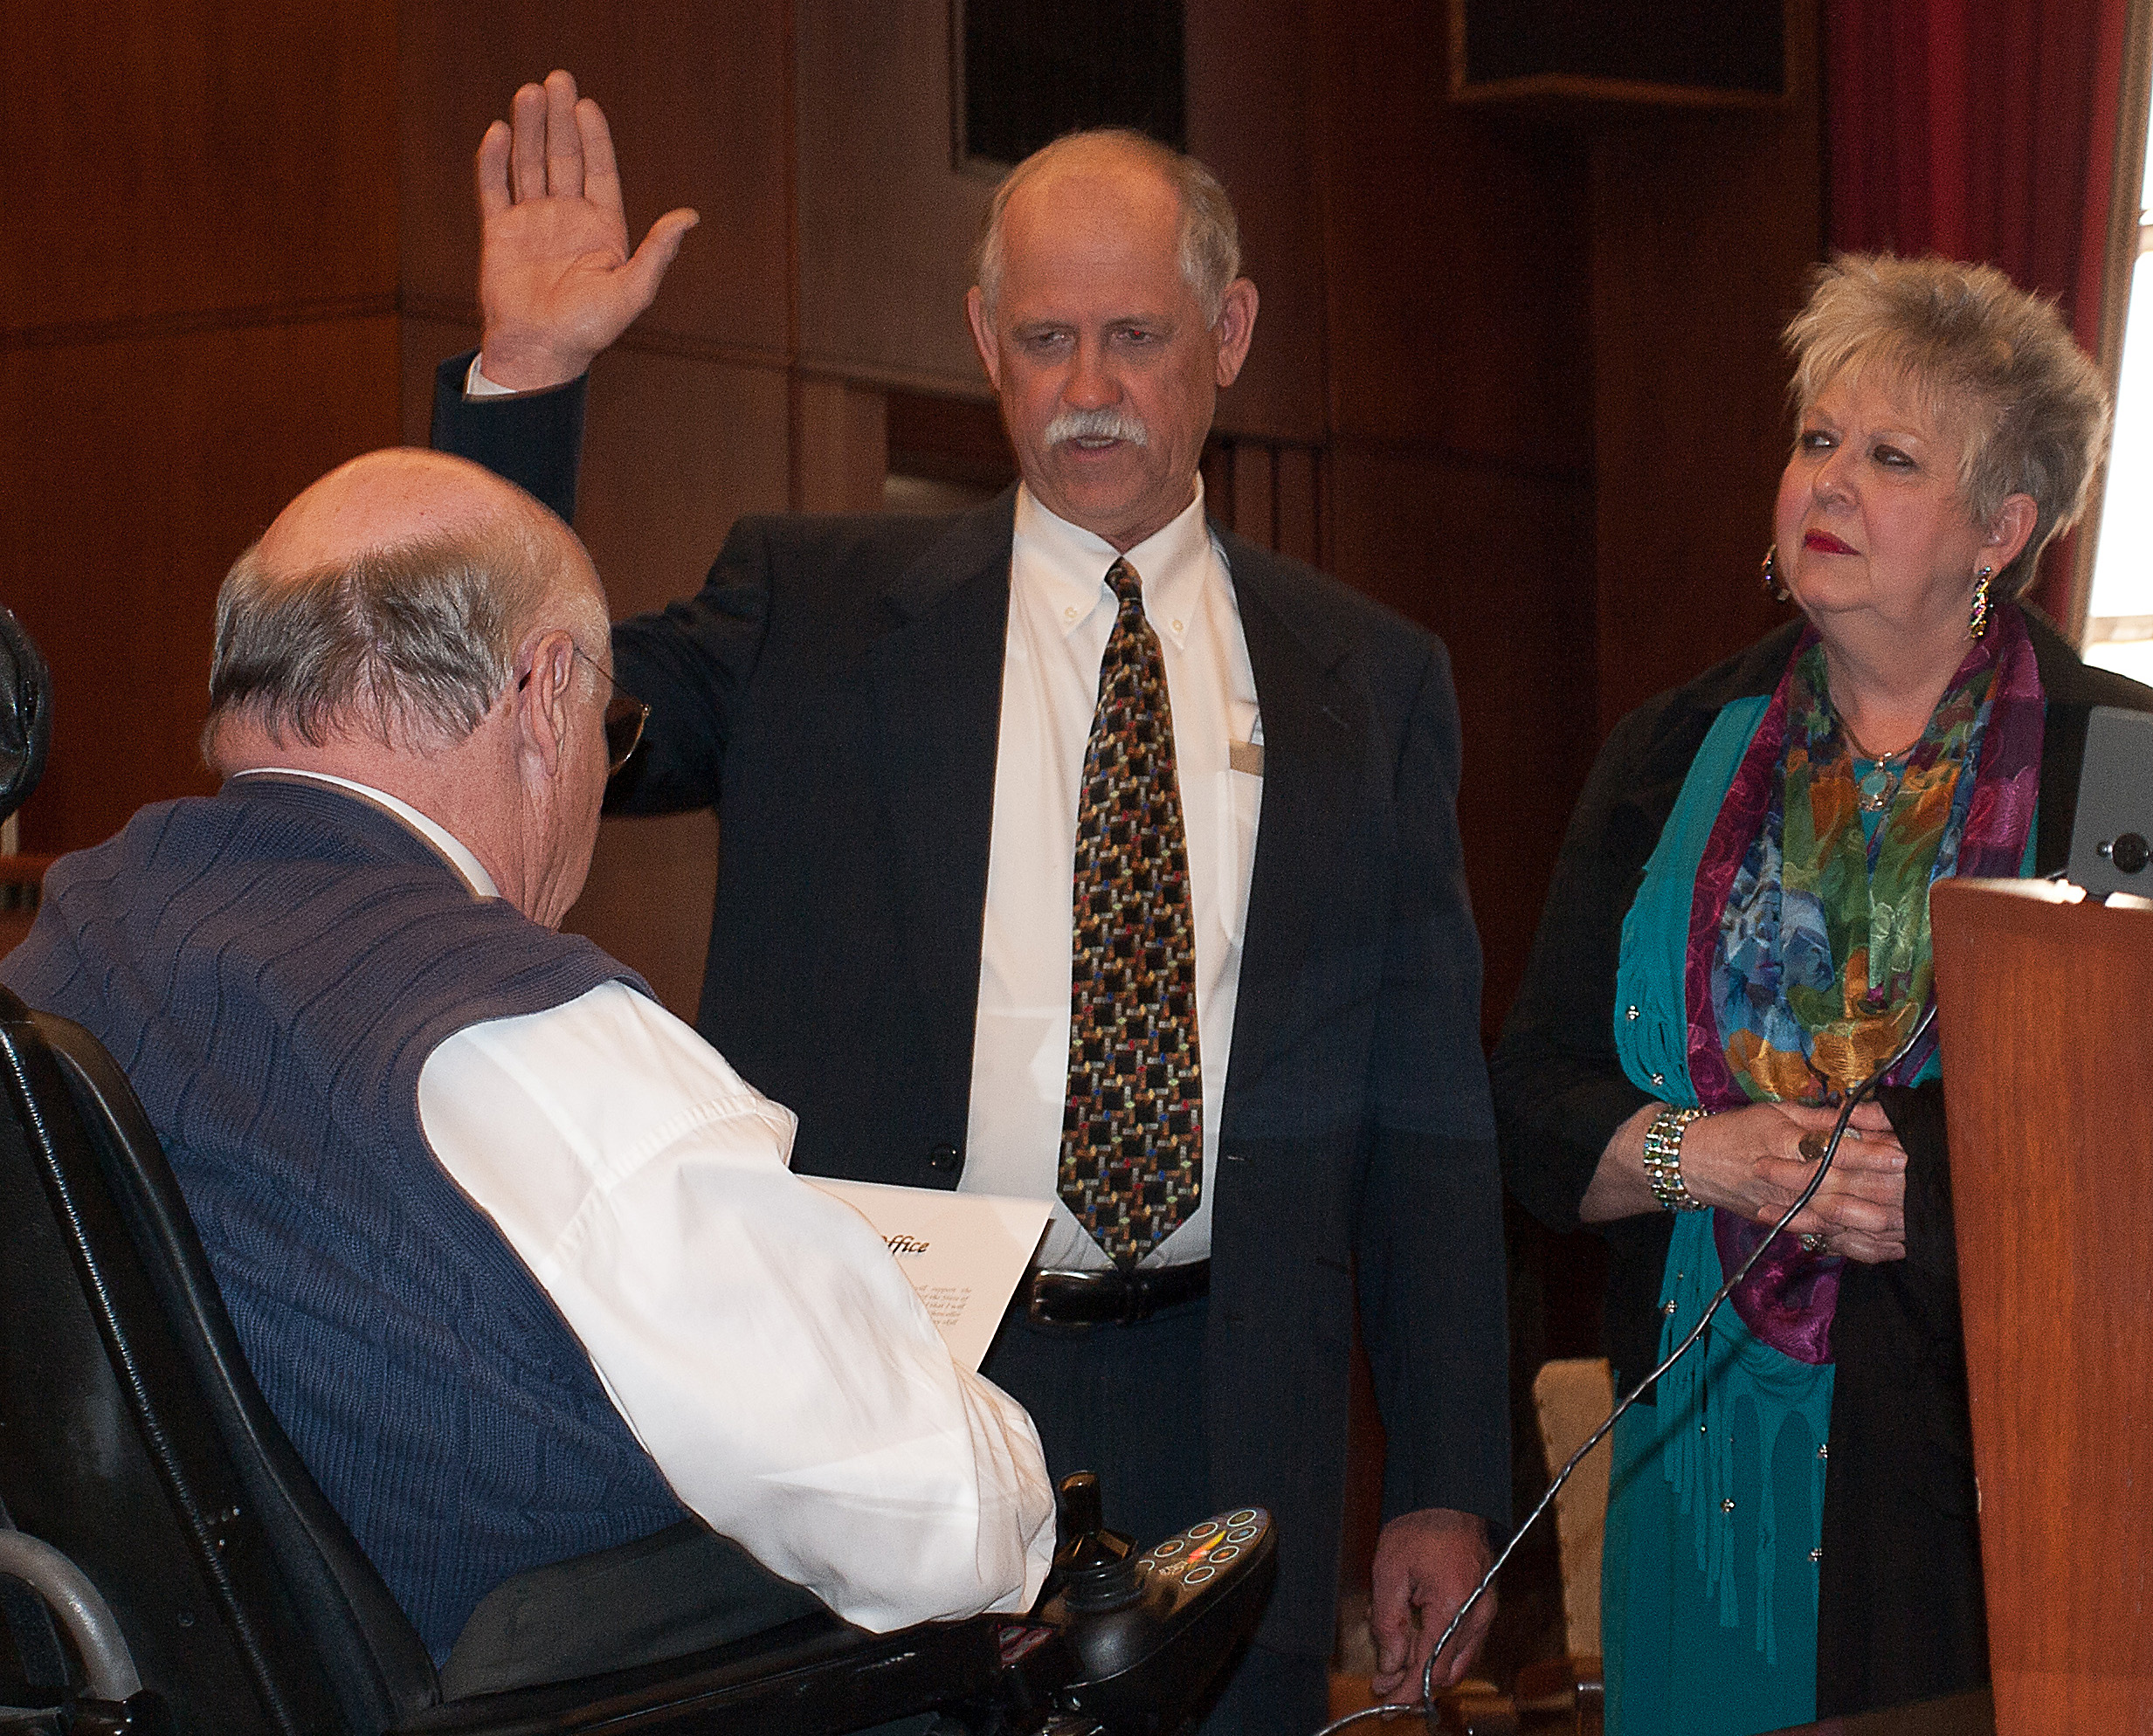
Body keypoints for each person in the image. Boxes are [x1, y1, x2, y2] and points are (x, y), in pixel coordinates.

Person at [431, 72, 1510, 1731]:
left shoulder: (1370, 679)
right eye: (1043, 339)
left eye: (1135, 338)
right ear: (979, 338)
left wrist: (1444, 1474)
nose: (1086, 390)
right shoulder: (807, 614)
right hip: (900, 1400)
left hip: (1236, 1422)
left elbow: (1428, 1112)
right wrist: (525, 385)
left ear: (1226, 333)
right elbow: (514, 706)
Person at [0, 449, 1054, 1693]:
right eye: (612, 728)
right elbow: (942, 1527)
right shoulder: (540, 1048)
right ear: (547, 693)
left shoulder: (73, 934)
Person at [1493, 253, 2153, 1734]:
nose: (1829, 484)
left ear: (2003, 528)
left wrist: (1926, 1184)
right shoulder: (1669, 750)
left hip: (1988, 1485)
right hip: (1692, 1450)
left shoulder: (2128, 765)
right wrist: (1699, 1153)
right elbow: (1530, 1094)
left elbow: (2136, 1136)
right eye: (1816, 441)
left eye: (1891, 457)